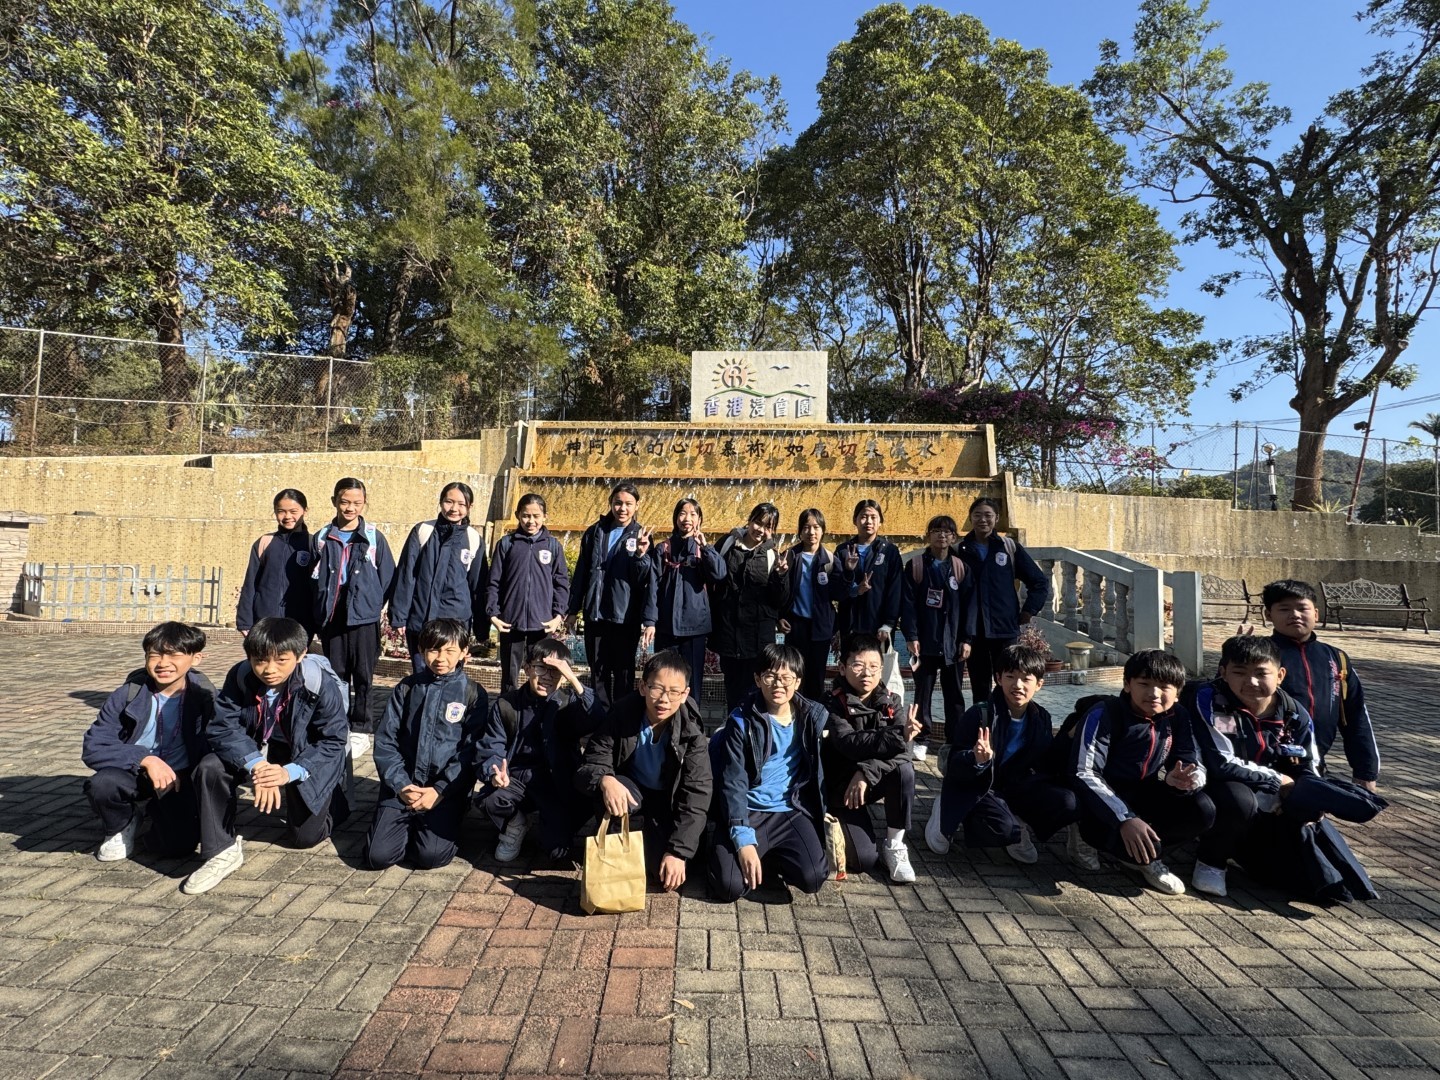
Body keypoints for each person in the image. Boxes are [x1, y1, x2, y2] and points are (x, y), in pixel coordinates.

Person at [1184, 634, 1381, 901]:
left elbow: (1309, 764)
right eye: (1239, 672)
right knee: (1238, 798)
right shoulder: (1208, 700)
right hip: (1213, 788)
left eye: (1261, 673)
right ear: (1223, 672)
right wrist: (1279, 781)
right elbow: (1220, 762)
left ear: (1280, 675)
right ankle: (1211, 861)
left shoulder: (1294, 713)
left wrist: (1309, 799)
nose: (1251, 682)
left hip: (1272, 797)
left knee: (1309, 878)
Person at [184, 617, 349, 894]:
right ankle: (221, 850)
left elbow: (332, 740)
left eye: (281, 660)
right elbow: (223, 727)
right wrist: (258, 765)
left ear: (301, 655)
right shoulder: (241, 676)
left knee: (304, 837)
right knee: (210, 767)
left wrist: (288, 772)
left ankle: (335, 803)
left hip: (303, 751)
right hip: (256, 746)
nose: (269, 670)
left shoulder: (318, 683)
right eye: (260, 660)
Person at [1070, 649, 1216, 896]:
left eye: (1164, 686)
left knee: (1203, 809)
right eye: (1144, 684)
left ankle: (1147, 858)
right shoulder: (1105, 713)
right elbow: (1084, 772)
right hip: (1101, 799)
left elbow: (1192, 759)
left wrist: (1184, 781)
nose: (1154, 693)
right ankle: (1085, 835)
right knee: (1102, 830)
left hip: (1145, 790)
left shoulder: (1178, 716)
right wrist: (1125, 818)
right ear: (1128, 685)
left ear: (1178, 692)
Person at [924, 645, 1080, 866]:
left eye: (1026, 679)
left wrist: (1069, 738)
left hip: (1014, 787)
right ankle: (947, 810)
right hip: (979, 786)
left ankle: (1018, 822)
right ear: (998, 678)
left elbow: (1047, 762)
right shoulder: (980, 714)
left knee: (1068, 802)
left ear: (1039, 684)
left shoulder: (1040, 718)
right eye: (1010, 677)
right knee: (1002, 830)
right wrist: (976, 759)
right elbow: (954, 763)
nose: (1018, 685)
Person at [575, 650, 714, 891]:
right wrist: (605, 779)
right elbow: (593, 759)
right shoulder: (622, 713)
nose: (664, 700)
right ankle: (615, 846)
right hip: (632, 790)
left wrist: (678, 852)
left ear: (685, 694)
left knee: (661, 872)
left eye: (674, 692)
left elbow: (697, 792)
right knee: (611, 793)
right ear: (642, 687)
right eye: (657, 689)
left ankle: (661, 843)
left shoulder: (691, 732)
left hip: (668, 800)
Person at [82, 622, 214, 862]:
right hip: (133, 772)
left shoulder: (206, 699)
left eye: (174, 655)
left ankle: (158, 812)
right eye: (154, 655)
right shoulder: (128, 695)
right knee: (103, 784)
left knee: (176, 846)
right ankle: (122, 823)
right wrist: (145, 759)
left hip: (178, 778)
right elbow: (94, 746)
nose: (163, 663)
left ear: (196, 658)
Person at [708, 643, 830, 901]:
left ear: (797, 682)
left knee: (814, 877)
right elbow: (733, 782)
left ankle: (771, 857)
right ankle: (728, 847)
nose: (778, 684)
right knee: (728, 886)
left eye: (786, 678)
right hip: (748, 810)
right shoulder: (741, 721)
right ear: (757, 679)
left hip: (789, 809)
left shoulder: (811, 717)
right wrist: (742, 839)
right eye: (770, 676)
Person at [366, 619, 487, 870]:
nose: (441, 658)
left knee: (431, 856)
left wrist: (440, 790)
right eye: (433, 650)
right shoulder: (407, 688)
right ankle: (403, 819)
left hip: (444, 791)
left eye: (450, 651)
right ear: (421, 651)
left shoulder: (473, 693)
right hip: (404, 786)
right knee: (378, 856)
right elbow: (386, 741)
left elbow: (470, 751)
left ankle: (444, 818)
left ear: (464, 652)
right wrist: (401, 785)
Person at [475, 639, 602, 862]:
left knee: (556, 850)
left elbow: (597, 718)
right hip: (515, 779)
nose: (547, 677)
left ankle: (556, 825)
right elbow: (491, 746)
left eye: (555, 671)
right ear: (527, 668)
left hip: (554, 784)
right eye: (541, 668)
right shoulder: (506, 704)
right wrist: (494, 772)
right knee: (489, 799)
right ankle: (515, 823)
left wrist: (573, 679)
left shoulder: (567, 703)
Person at [1263, 579, 1380, 791]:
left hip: (1315, 763)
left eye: (1302, 608)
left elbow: (1356, 717)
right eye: (1284, 609)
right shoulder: (1259, 655)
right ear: (1269, 615)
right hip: (1265, 765)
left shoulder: (1336, 658)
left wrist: (1365, 772)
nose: (1295, 615)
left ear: (1316, 614)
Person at [822, 634, 921, 883]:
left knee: (904, 770)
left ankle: (895, 845)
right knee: (864, 860)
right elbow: (848, 743)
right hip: (842, 788)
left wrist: (867, 772)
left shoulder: (891, 700)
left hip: (868, 780)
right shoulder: (831, 703)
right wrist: (898, 736)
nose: (867, 673)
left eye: (874, 666)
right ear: (842, 668)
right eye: (858, 665)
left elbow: (905, 750)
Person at [310, 477, 396, 755]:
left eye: (357, 503)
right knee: (336, 674)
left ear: (364, 503)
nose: (350, 508)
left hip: (364, 618)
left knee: (363, 674)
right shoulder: (322, 537)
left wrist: (371, 603)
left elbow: (388, 577)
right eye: (345, 502)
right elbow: (313, 578)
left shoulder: (373, 537)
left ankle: (361, 727)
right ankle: (338, 722)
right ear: (334, 501)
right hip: (333, 616)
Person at [566, 481, 656, 708]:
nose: (622, 508)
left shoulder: (642, 535)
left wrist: (641, 555)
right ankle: (600, 718)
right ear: (610, 503)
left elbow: (645, 580)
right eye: (618, 503)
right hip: (596, 615)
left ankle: (621, 720)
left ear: (636, 506)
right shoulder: (595, 532)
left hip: (625, 617)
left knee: (624, 673)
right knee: (598, 673)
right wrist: (572, 610)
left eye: (628, 504)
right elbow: (582, 573)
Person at [957, 498, 1050, 704]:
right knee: (979, 686)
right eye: (977, 515)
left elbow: (1039, 582)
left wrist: (1028, 610)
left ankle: (1007, 720)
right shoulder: (960, 550)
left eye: (988, 515)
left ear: (996, 518)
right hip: (974, 630)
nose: (983, 520)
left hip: (1005, 628)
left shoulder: (1008, 547)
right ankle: (983, 721)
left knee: (1008, 682)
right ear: (970, 519)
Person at [388, 482, 487, 674]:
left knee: (451, 676)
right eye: (449, 502)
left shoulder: (474, 539)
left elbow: (478, 586)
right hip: (422, 621)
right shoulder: (423, 531)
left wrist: (481, 628)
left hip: (456, 625)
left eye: (461, 504)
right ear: (441, 502)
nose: (454, 508)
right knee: (421, 674)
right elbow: (406, 575)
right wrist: (399, 617)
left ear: (470, 507)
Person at [901, 514, 972, 759]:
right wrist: (911, 636)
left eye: (947, 532)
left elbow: (970, 606)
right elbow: (907, 604)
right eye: (936, 531)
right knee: (923, 693)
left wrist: (967, 639)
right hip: (924, 642)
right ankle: (921, 739)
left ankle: (955, 740)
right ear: (928, 535)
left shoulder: (961, 568)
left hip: (953, 643)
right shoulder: (916, 565)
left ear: (953, 537)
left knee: (955, 695)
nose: (942, 535)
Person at [710, 502, 791, 713]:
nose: (761, 530)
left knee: (757, 687)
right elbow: (712, 578)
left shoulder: (772, 554)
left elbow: (779, 600)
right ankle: (735, 726)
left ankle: (755, 726)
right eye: (758, 523)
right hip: (729, 633)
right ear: (750, 520)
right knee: (732, 688)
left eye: (768, 527)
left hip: (758, 637)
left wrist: (781, 576)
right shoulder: (727, 543)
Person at [486, 492, 570, 692]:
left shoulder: (553, 546)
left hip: (542, 623)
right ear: (517, 515)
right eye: (525, 515)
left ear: (544, 517)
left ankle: (539, 706)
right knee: (509, 674)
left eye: (536, 516)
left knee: (542, 670)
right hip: (510, 623)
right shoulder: (506, 544)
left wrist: (558, 615)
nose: (531, 521)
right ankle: (507, 706)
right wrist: (493, 614)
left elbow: (561, 583)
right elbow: (493, 582)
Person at [650, 498, 725, 704]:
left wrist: (705, 547)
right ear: (676, 518)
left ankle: (691, 721)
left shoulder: (704, 549)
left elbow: (719, 574)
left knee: (692, 684)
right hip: (666, 627)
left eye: (693, 514)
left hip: (695, 629)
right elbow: (653, 588)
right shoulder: (663, 548)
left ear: (699, 520)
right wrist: (650, 621)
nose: (687, 519)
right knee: (663, 679)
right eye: (683, 513)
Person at [833, 501, 904, 706]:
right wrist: (853, 584)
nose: (868, 521)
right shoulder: (843, 550)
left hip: (878, 628)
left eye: (873, 517)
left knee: (876, 675)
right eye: (863, 516)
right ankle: (847, 713)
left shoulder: (889, 551)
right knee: (851, 672)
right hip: (850, 626)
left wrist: (888, 624)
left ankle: (881, 715)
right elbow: (836, 590)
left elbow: (895, 590)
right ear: (855, 520)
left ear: (880, 521)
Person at [236, 489, 316, 637]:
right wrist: (244, 621)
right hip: (265, 620)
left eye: (293, 511)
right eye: (281, 511)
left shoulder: (313, 544)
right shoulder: (264, 542)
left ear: (305, 511)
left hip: (300, 623)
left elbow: (318, 587)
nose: (287, 517)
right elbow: (250, 584)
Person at [780, 508, 841, 701]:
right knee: (794, 675)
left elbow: (840, 593)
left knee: (816, 678)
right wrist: (779, 617)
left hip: (820, 628)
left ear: (823, 530)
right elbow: (778, 591)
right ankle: (792, 713)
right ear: (800, 531)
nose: (811, 532)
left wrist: (848, 572)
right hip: (795, 627)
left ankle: (815, 715)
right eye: (806, 527)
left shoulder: (830, 559)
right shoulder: (789, 556)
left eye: (816, 527)